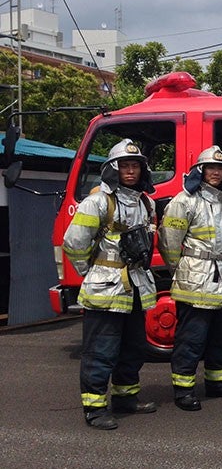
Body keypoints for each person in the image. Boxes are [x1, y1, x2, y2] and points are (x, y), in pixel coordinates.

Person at [63, 139, 158, 430]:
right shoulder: (97, 202)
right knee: (101, 350)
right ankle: (94, 408)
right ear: (113, 170)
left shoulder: (146, 202)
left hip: (137, 287)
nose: (131, 171)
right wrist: (92, 272)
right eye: (125, 166)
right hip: (106, 289)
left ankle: (126, 398)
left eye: (135, 166)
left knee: (134, 348)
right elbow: (73, 243)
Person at [158, 146, 222, 411]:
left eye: (220, 169)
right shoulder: (184, 201)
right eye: (211, 168)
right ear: (201, 171)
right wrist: (182, 273)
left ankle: (217, 383)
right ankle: (183, 390)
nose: (216, 172)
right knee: (191, 339)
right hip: (195, 282)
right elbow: (169, 243)